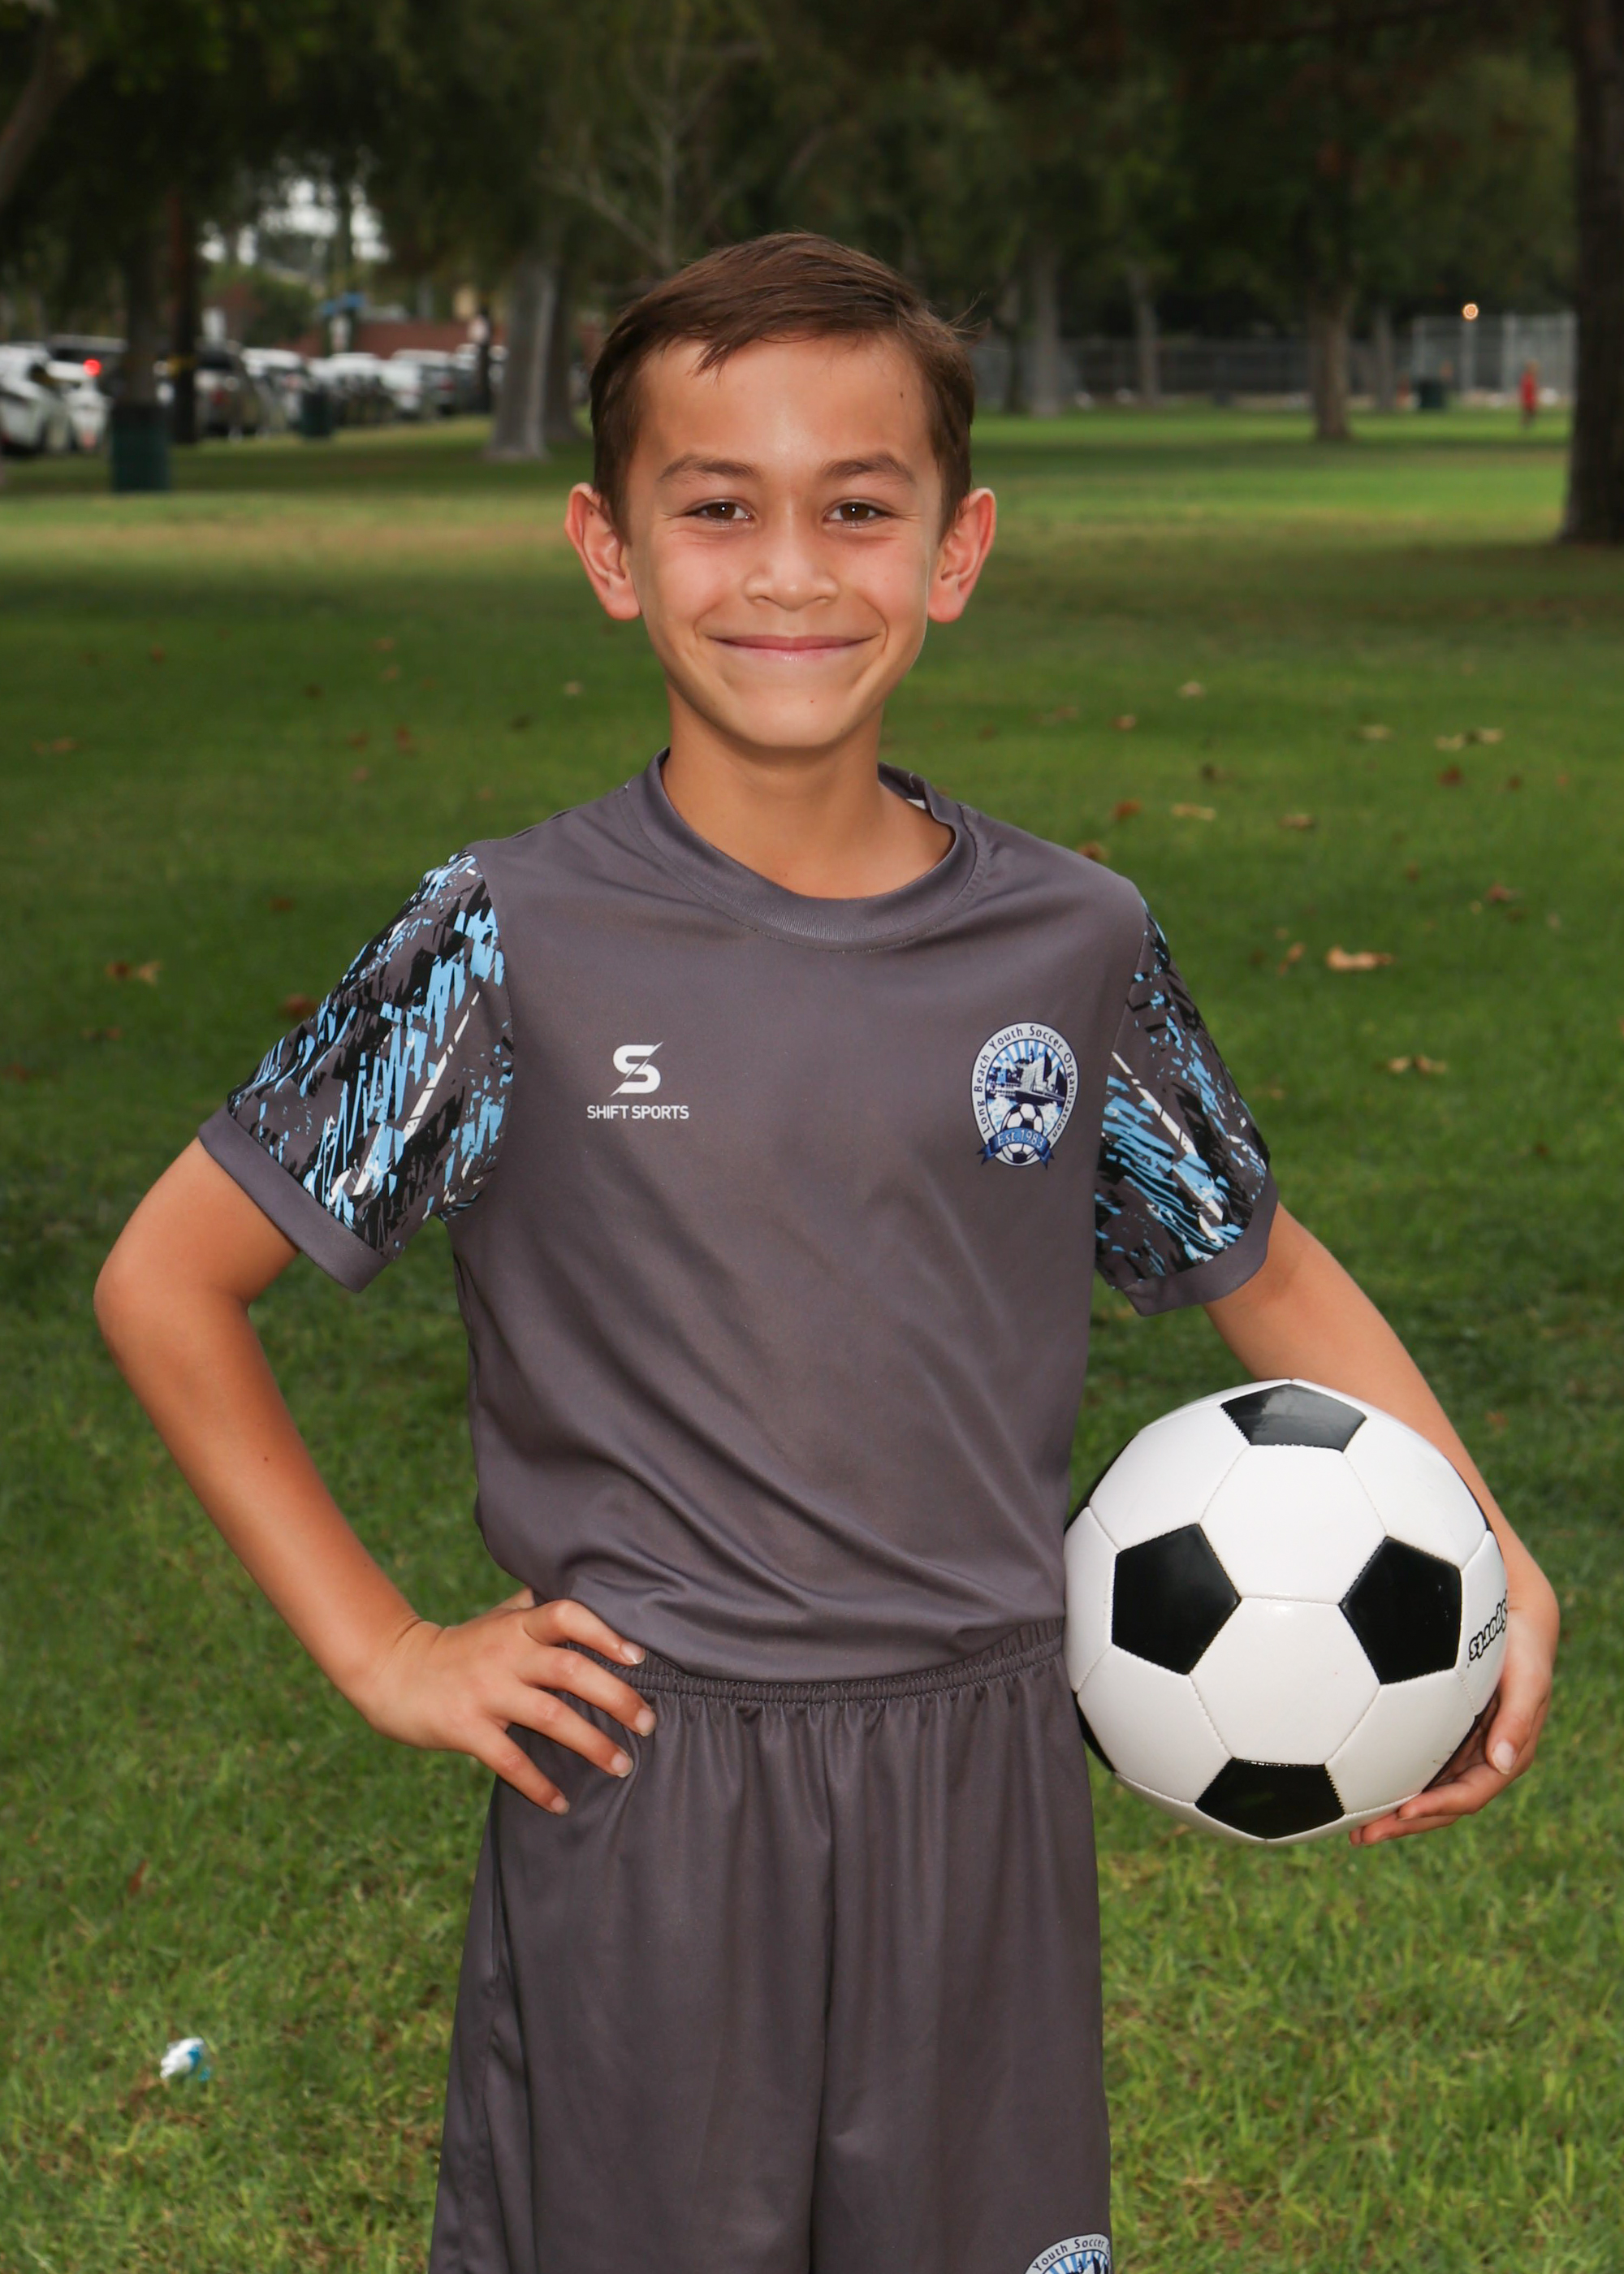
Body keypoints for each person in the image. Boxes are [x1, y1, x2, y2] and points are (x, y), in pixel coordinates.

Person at [95, 233, 1558, 2274]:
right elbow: (166, 1279)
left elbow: (1265, 1266)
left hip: (984, 1775)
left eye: (856, 509)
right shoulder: (502, 940)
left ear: (954, 550)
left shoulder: (1071, 942)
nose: (788, 573)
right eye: (718, 508)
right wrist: (383, 1647)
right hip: (647, 1789)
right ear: (609, 550)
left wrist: (1488, 1546)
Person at [1519, 360, 1540, 428]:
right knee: (1529, 413)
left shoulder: (1532, 378)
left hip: (1531, 399)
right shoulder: (1527, 378)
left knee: (1530, 414)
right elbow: (1526, 390)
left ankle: (1526, 425)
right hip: (1529, 399)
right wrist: (1528, 399)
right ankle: (1523, 425)